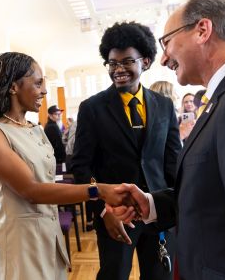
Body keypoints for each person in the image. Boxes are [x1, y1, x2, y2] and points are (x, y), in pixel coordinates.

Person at [110, 0, 225, 279]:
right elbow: (216, 196)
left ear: (202, 31)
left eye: (166, 42)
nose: (164, 57)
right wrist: (152, 204)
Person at [0, 52, 132, 280]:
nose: (44, 91)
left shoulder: (35, 129)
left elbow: (37, 184)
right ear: (14, 87)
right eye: (38, 83)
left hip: (49, 238)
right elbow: (31, 190)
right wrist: (97, 190)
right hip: (19, 245)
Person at [71, 22, 181, 280]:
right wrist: (102, 210)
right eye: (112, 63)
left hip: (158, 213)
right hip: (115, 215)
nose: (118, 70)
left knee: (159, 276)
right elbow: (81, 168)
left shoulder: (164, 106)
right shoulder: (92, 108)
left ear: (145, 61)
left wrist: (175, 207)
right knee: (114, 274)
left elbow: (173, 162)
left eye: (126, 62)